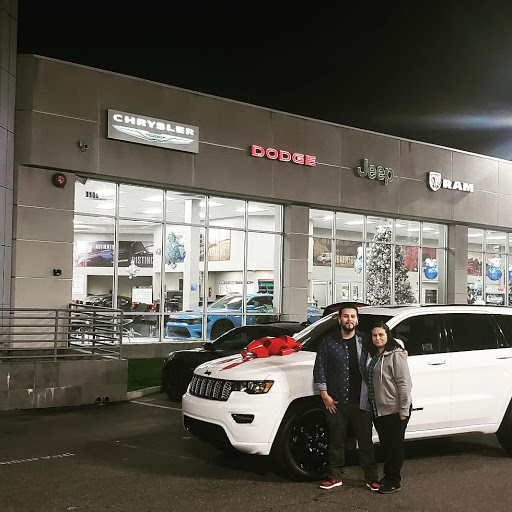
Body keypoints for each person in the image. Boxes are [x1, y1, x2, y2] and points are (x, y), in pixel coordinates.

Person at [313, 303, 380, 491]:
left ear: (357, 320)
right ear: (339, 319)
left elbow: (385, 346)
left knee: (365, 442)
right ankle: (335, 477)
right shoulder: (329, 342)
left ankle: (372, 478)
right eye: (345, 316)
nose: (349, 320)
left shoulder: (365, 340)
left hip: (362, 401)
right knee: (336, 442)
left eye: (352, 316)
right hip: (336, 401)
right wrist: (324, 395)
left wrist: (402, 351)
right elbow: (319, 368)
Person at [367, 322, 412, 494]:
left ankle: (394, 481)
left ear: (388, 335)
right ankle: (388, 476)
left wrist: (404, 409)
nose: (377, 338)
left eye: (381, 335)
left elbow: (404, 383)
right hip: (379, 408)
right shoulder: (373, 354)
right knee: (386, 445)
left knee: (394, 447)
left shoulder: (396, 355)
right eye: (374, 335)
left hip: (395, 409)